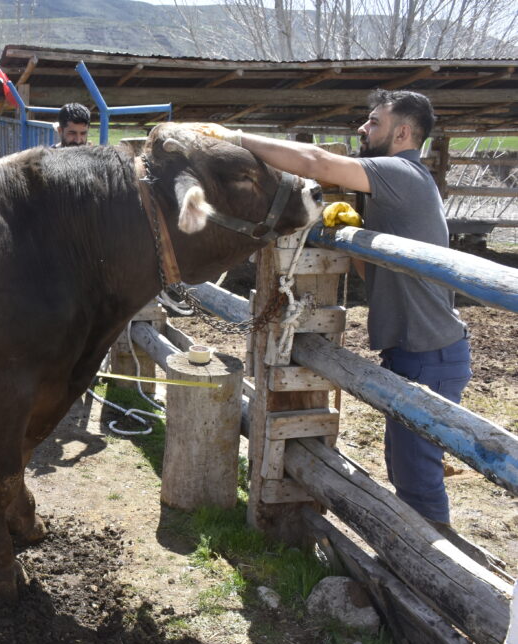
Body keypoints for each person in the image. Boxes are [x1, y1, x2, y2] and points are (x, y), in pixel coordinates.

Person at [190, 90, 470, 527]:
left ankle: (434, 576)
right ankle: (418, 560)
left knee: (418, 477)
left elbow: (317, 163)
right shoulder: (396, 186)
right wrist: (356, 232)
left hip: (429, 351)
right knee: (404, 467)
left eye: (374, 121)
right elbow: (368, 277)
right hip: (417, 348)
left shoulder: (402, 172)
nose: (363, 127)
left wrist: (234, 136)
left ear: (402, 132)